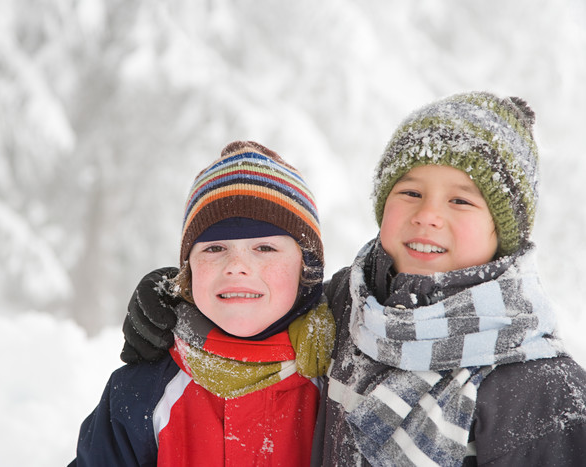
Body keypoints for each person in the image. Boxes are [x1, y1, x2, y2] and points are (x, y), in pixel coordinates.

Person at [120, 92, 586, 466]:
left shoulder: (540, 389)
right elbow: (263, 301)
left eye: (460, 201)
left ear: (503, 231)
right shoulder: (350, 304)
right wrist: (172, 298)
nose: (427, 215)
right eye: (410, 192)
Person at [70, 141, 335, 466]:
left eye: (264, 248)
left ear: (306, 270)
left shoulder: (340, 382)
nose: (237, 265)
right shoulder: (141, 392)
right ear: (189, 271)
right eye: (214, 249)